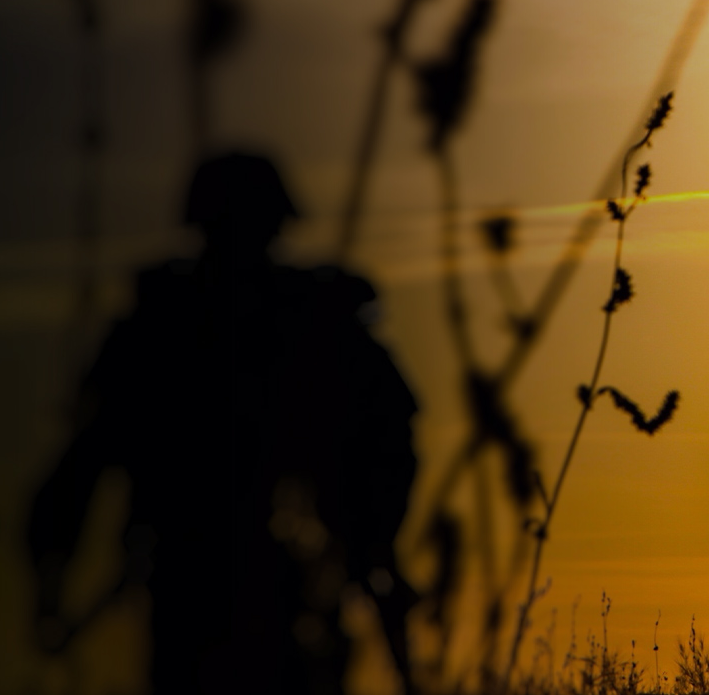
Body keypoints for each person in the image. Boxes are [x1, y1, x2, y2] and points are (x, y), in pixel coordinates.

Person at [28, 153, 418, 694]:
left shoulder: (173, 328)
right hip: (202, 579)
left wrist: (373, 543)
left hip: (266, 578)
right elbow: (82, 466)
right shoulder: (177, 329)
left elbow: (388, 441)